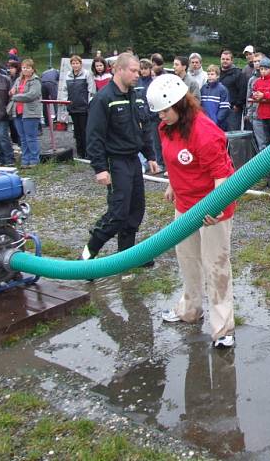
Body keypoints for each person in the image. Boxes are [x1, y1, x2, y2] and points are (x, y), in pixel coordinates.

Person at [148, 74, 237, 348]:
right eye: (158, 112)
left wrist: (217, 207)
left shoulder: (205, 132)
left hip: (212, 210)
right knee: (187, 260)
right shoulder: (168, 128)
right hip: (185, 206)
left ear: (181, 104)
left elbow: (222, 176)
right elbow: (175, 161)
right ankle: (190, 310)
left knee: (216, 266)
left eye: (165, 110)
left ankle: (223, 329)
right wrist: (173, 186)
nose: (161, 116)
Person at [82, 53, 159, 261]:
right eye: (133, 71)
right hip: (114, 161)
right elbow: (94, 136)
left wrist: (150, 155)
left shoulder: (134, 95)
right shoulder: (104, 98)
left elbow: (142, 128)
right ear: (119, 70)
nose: (137, 75)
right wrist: (100, 168)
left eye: (138, 71)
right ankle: (87, 256)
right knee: (118, 212)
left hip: (133, 160)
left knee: (136, 210)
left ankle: (125, 257)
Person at [58, 54, 96, 159]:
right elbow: (65, 90)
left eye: (77, 63)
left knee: (85, 130)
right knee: (77, 132)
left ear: (80, 64)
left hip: (84, 107)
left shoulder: (87, 74)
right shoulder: (68, 75)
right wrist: (65, 102)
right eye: (73, 63)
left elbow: (91, 90)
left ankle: (88, 152)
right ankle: (80, 152)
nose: (75, 65)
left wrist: (89, 103)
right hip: (72, 107)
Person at [9, 59, 42, 168]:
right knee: (22, 138)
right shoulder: (18, 80)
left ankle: (34, 160)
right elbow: (12, 91)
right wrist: (12, 93)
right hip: (18, 112)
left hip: (31, 113)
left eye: (28, 68)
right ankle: (25, 159)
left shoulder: (36, 81)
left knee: (31, 137)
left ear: (33, 69)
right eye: (24, 67)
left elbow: (31, 95)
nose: (25, 70)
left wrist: (15, 96)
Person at [249, 57, 270, 151]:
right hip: (262, 114)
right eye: (261, 69)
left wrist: (264, 95)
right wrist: (256, 96)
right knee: (266, 139)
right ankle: (268, 160)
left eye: (266, 69)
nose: (263, 71)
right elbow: (253, 93)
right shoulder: (257, 82)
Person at [219, 50, 246, 131]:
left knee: (233, 134)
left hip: (233, 109)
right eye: (223, 59)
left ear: (231, 60)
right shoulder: (216, 73)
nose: (225, 61)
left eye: (227, 59)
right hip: (219, 109)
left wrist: (237, 105)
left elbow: (243, 90)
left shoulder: (238, 73)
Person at [200, 65, 230, 130]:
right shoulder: (203, 88)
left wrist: (217, 120)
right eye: (208, 74)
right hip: (205, 122)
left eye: (212, 74)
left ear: (218, 76)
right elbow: (200, 105)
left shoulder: (222, 89)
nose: (210, 76)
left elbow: (224, 108)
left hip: (217, 124)